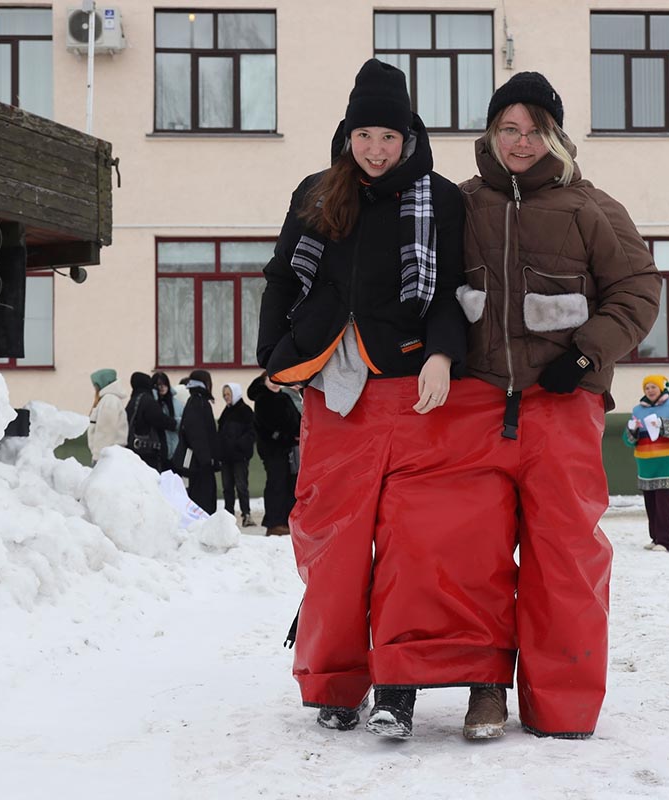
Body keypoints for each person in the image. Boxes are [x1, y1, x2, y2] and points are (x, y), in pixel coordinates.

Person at [257, 59, 476, 739]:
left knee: (412, 542)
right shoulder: (316, 192)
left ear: (408, 136)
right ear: (347, 134)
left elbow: (452, 291)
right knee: (334, 542)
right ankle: (336, 682)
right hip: (335, 389)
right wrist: (274, 354)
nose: (375, 150)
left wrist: (442, 354)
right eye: (364, 136)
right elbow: (281, 277)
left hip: (411, 387)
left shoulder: (441, 199)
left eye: (388, 136)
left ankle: (399, 686)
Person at [454, 71, 662, 738]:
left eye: (534, 130)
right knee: (475, 559)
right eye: (508, 129)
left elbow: (637, 290)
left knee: (566, 557)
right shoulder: (460, 206)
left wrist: (585, 356)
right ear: (491, 134)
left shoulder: (591, 207)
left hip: (562, 405)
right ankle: (485, 692)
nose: (520, 142)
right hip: (477, 404)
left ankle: (563, 704)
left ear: (555, 136)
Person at [624, 374, 669, 552]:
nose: (650, 390)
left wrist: (663, 424)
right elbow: (628, 441)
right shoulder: (637, 410)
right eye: (647, 388)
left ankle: (665, 541)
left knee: (664, 504)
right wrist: (632, 431)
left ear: (661, 388)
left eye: (653, 387)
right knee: (651, 503)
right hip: (646, 464)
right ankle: (656, 538)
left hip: (668, 463)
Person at [246, 372, 301, 537]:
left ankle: (284, 520)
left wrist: (297, 433)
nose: (275, 383)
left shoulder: (284, 397)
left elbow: (295, 419)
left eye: (277, 379)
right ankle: (274, 523)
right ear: (264, 381)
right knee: (276, 484)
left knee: (287, 483)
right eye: (271, 379)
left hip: (288, 448)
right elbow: (267, 427)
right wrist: (287, 436)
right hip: (273, 449)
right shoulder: (263, 399)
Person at [171, 369, 220, 514]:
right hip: (196, 464)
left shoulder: (196, 401)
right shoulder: (199, 403)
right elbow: (197, 434)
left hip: (196, 462)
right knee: (201, 503)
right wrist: (207, 460)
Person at [217, 382, 256, 527]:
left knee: (241, 486)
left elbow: (251, 433)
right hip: (226, 457)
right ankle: (229, 516)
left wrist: (239, 446)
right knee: (227, 487)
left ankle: (246, 514)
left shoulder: (245, 411)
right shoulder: (225, 412)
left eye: (229, 394)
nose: (226, 397)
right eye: (224, 395)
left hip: (240, 457)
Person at [125, 371, 177, 472]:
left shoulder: (134, 399)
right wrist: (175, 423)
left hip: (135, 448)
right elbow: (160, 420)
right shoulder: (148, 400)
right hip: (149, 451)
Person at [87, 368, 128, 464]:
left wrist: (98, 457)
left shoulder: (109, 400)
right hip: (108, 456)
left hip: (106, 458)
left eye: (95, 385)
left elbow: (105, 432)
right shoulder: (109, 399)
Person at [152, 371, 184, 458]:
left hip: (175, 450)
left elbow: (185, 423)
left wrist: (176, 422)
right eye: (158, 385)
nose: (162, 387)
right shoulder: (152, 404)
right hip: (158, 451)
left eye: (165, 384)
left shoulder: (177, 404)